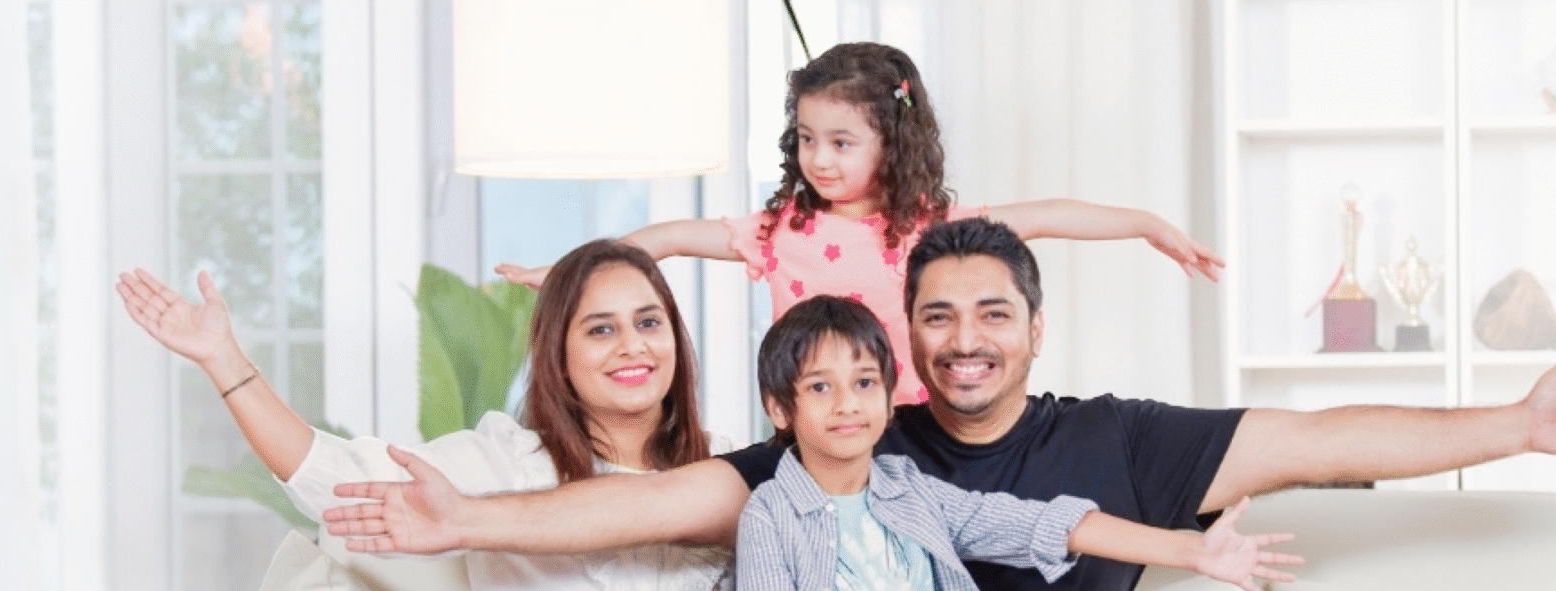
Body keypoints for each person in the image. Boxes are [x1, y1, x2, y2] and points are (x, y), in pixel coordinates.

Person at [326, 217, 1556, 591]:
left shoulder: (1124, 444)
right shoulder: (849, 437)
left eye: (989, 315)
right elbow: (662, 503)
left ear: (1032, 326)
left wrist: (1518, 428)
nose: (961, 341)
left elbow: (1320, 433)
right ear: (906, 335)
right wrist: (467, 524)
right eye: (935, 316)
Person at [116, 239, 739, 591]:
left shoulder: (729, 472)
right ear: (559, 355)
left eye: (648, 322)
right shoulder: (505, 459)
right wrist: (223, 360)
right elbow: (329, 477)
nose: (633, 346)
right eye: (600, 330)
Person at [493, 42, 1222, 406]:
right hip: (814, 429)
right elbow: (675, 237)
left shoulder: (933, 229)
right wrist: (569, 269)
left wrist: (1146, 224)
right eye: (807, 139)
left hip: (911, 432)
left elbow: (1048, 216)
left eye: (841, 143)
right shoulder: (783, 229)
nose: (819, 159)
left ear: (891, 143)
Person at [733, 295, 1303, 591]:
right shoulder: (769, 515)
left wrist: (1189, 550)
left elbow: (1038, 525)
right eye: (819, 388)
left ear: (887, 395)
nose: (847, 404)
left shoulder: (909, 490)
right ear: (780, 407)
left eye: (863, 383)